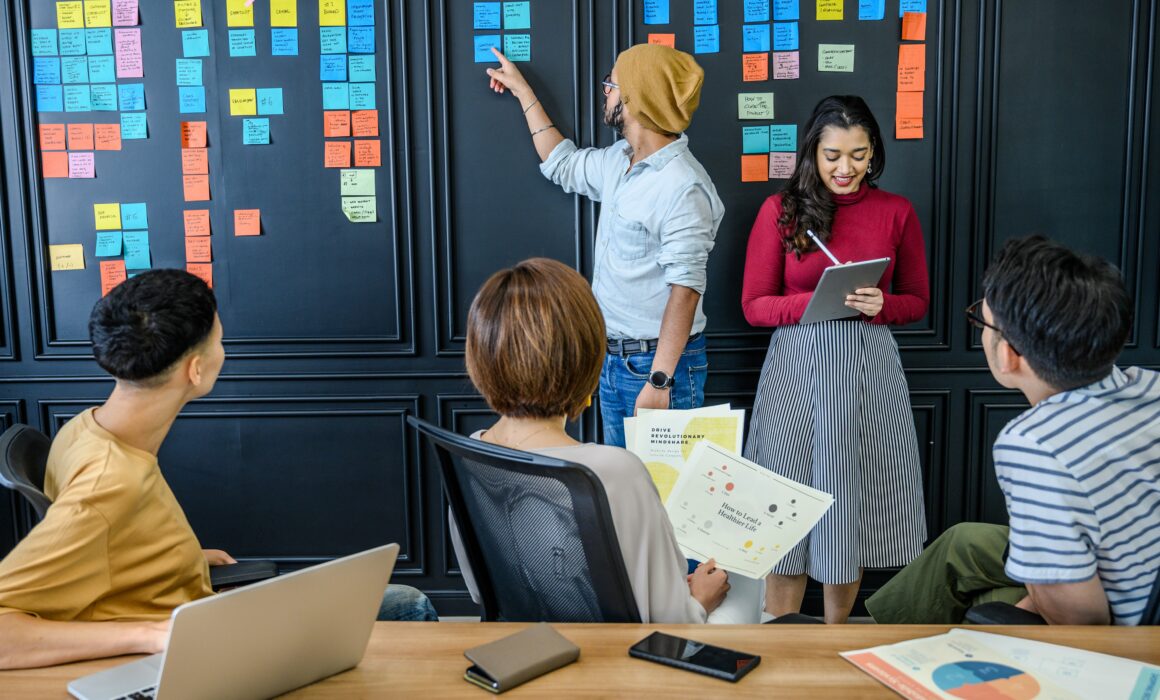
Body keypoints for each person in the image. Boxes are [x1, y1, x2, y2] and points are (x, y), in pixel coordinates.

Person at [0, 270, 433, 671]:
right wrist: (150, 634)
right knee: (409, 604)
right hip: (196, 642)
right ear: (196, 369)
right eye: (220, 341)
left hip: (193, 600)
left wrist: (177, 559)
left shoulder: (86, 427)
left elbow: (107, 544)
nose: (224, 352)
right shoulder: (111, 484)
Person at [452, 257, 765, 623]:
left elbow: (480, 590)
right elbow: (672, 620)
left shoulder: (469, 453)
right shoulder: (615, 469)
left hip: (525, 647)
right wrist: (699, 598)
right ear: (586, 360)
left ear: (479, 356)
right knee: (745, 577)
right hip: (623, 662)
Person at [866, 236, 1159, 625]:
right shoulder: (1147, 385)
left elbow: (1081, 620)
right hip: (1124, 573)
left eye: (981, 322)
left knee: (988, 603)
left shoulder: (1033, 444)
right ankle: (880, 639)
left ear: (1008, 355)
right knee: (963, 541)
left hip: (1126, 640)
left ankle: (892, 661)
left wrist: (1026, 602)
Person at [740, 95, 929, 624]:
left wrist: (882, 304)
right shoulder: (780, 211)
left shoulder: (896, 211)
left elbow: (917, 300)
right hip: (795, 372)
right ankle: (777, 635)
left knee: (850, 504)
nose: (845, 168)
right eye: (832, 156)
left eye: (858, 154)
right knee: (784, 505)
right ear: (812, 154)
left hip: (866, 375)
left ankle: (835, 638)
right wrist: (818, 300)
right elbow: (754, 305)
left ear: (874, 153)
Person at [484, 44, 724, 448]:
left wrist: (660, 380)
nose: (605, 92)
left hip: (656, 368)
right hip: (611, 361)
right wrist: (525, 92)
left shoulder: (683, 185)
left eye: (611, 84)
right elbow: (562, 164)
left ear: (635, 97)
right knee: (624, 496)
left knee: (666, 503)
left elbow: (685, 290)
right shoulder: (620, 160)